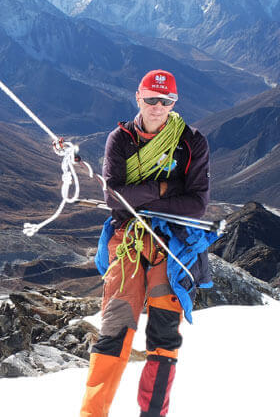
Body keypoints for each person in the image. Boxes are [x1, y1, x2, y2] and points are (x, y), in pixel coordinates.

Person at [80, 70, 210, 417]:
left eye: (165, 101)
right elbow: (113, 198)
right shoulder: (120, 140)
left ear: (174, 103)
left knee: (164, 336)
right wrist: (166, 190)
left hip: (171, 244)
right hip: (129, 241)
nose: (157, 107)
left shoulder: (190, 142)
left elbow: (197, 204)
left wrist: (139, 200)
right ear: (138, 97)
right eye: (151, 99)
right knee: (114, 329)